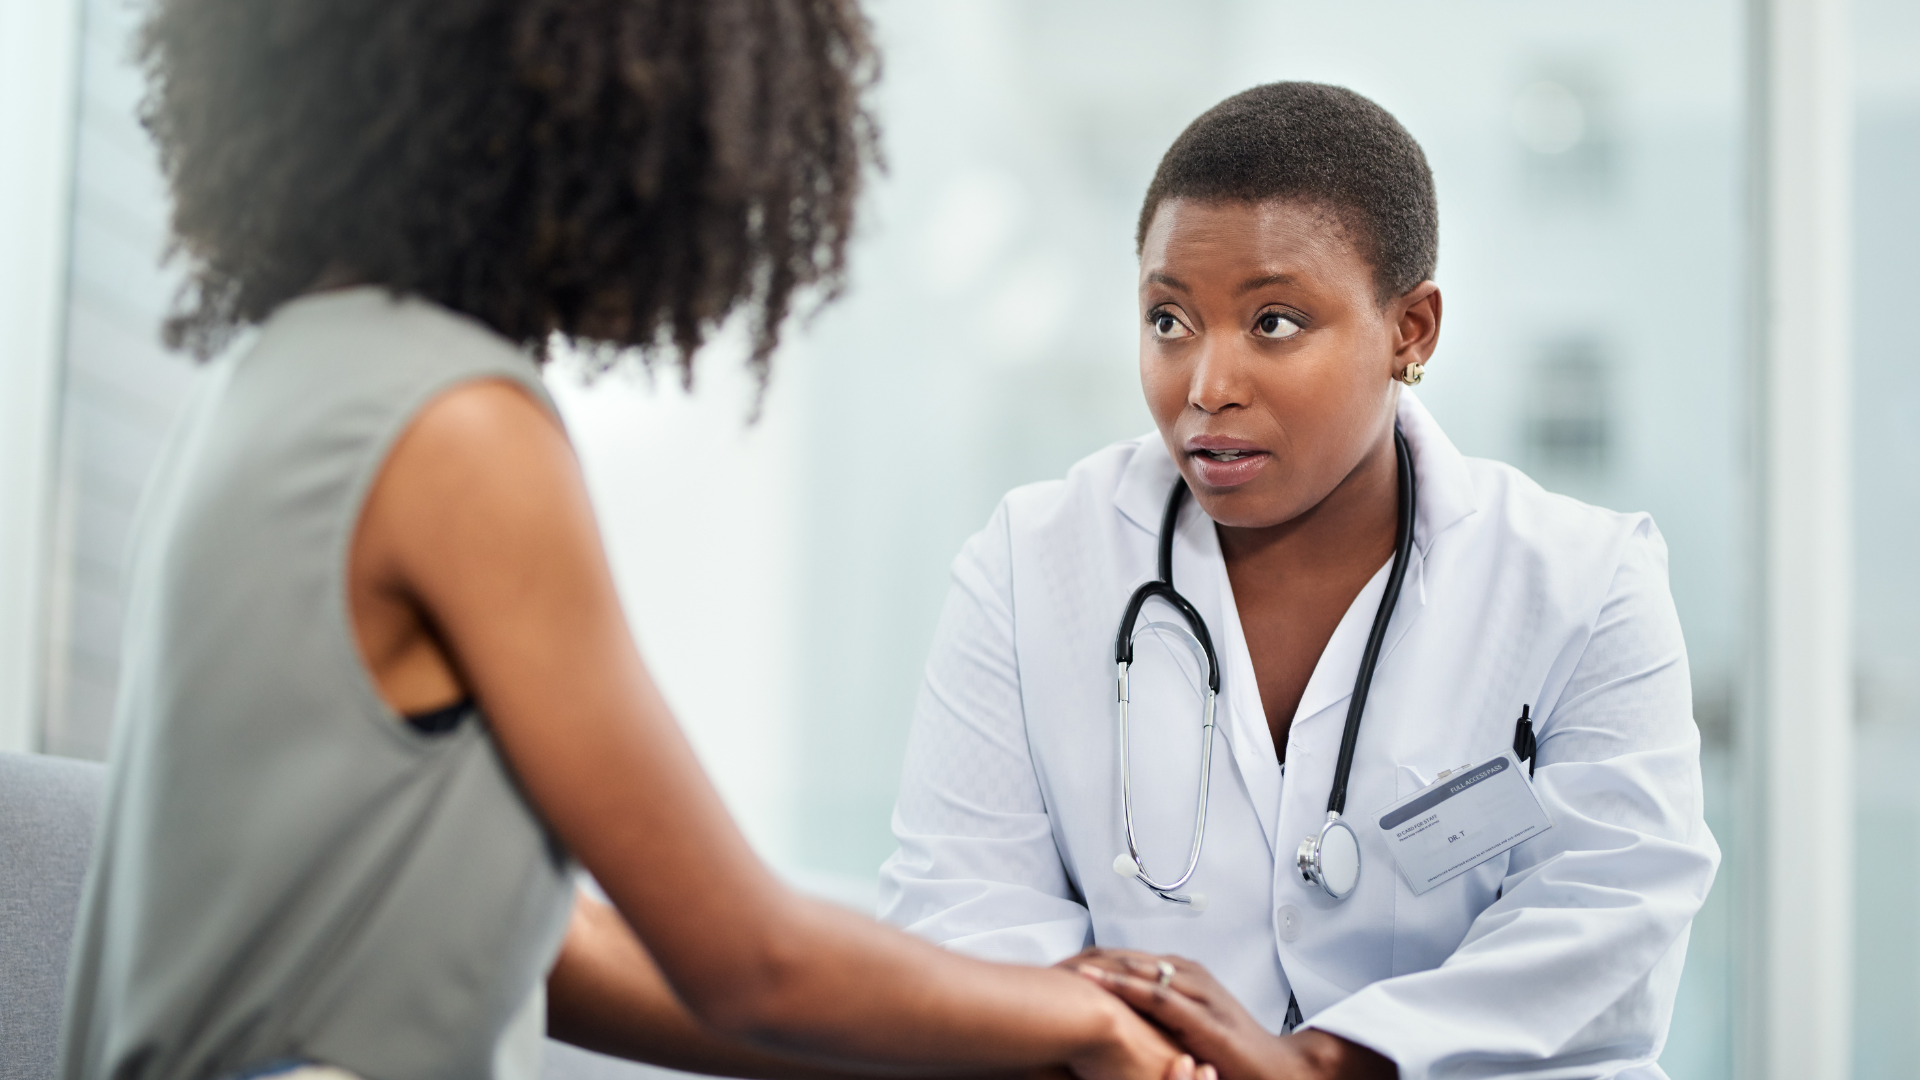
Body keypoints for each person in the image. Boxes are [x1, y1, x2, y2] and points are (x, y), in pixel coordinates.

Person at [56, 4, 1193, 1080]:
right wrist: (1082, 1013)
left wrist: (1011, 1030)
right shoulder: (458, 429)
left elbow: (550, 953)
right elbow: (750, 960)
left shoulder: (282, 381)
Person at [878, 82, 1721, 1080]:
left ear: (1411, 330)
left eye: (1274, 322)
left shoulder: (1584, 584)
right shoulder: (1030, 565)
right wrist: (1131, 1047)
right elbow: (958, 905)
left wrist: (1324, 1063)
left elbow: (1610, 916)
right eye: (1168, 320)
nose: (1205, 384)